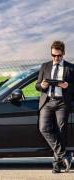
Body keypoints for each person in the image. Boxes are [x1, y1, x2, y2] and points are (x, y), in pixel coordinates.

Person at [36, 40, 74, 173]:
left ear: (63, 53)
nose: (56, 58)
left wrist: (68, 86)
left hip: (62, 103)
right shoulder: (45, 66)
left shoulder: (71, 67)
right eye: (54, 55)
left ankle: (57, 165)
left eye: (59, 55)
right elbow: (37, 85)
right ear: (51, 54)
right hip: (47, 102)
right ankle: (65, 155)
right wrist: (42, 86)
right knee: (44, 128)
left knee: (60, 132)